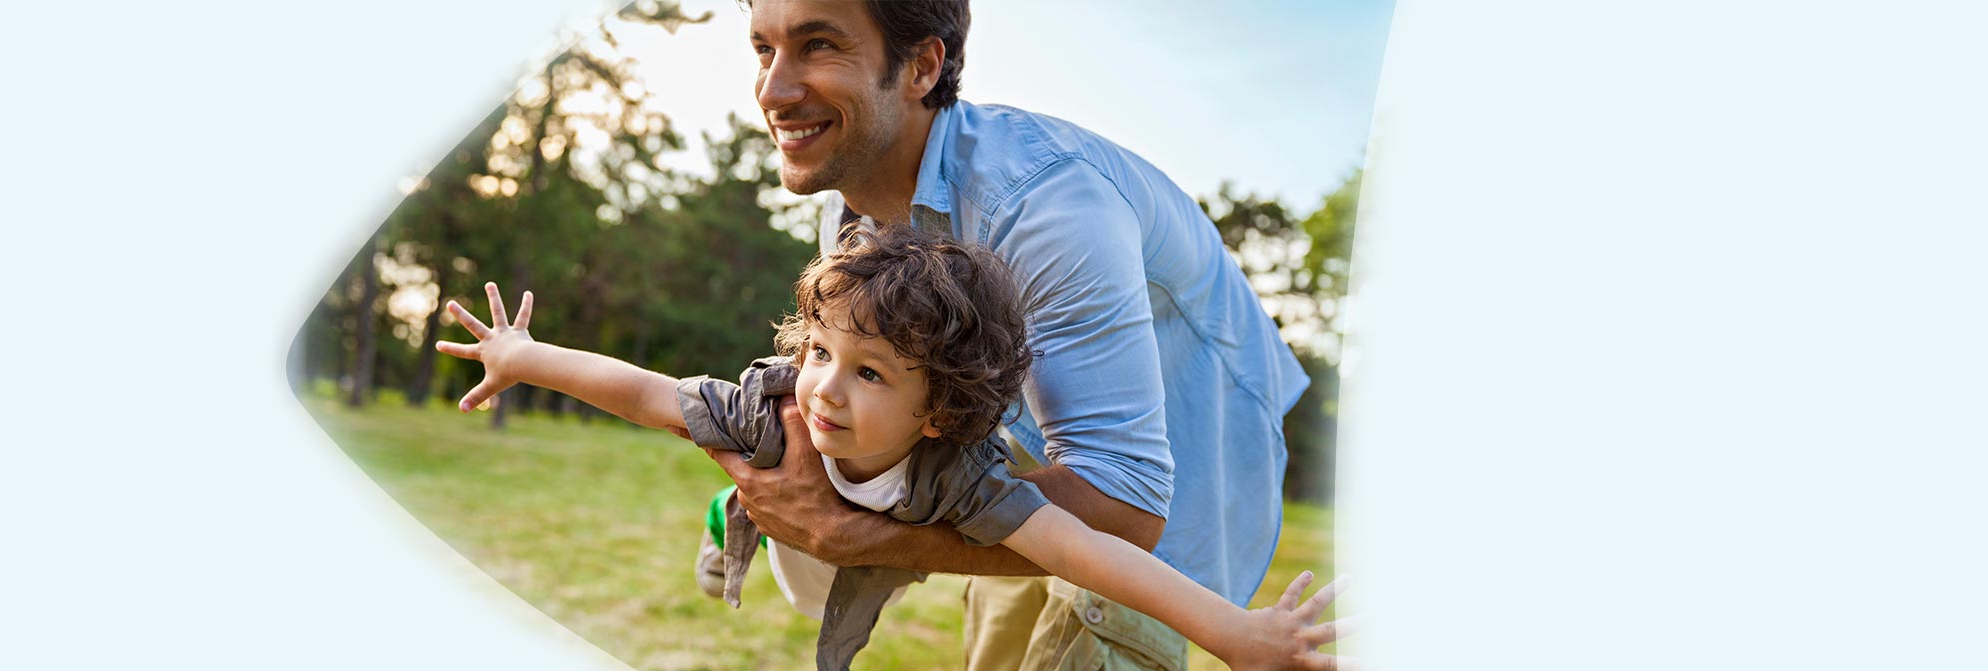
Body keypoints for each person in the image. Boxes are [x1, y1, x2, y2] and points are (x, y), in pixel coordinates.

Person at [434, 225, 1351, 670]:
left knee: (853, 584)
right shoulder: (780, 412)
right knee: (770, 532)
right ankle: (731, 513)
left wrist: (1239, 634)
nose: (830, 384)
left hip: (880, 545)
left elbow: (1096, 555)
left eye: (871, 373)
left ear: (938, 412)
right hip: (790, 518)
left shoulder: (965, 475)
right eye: (823, 350)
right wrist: (523, 356)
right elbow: (641, 389)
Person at [718, 0, 1322, 668]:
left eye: (820, 45)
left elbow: (1126, 506)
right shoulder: (850, 210)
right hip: (1018, 453)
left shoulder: (1043, 205)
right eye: (763, 49)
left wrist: (858, 534)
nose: (772, 89)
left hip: (1166, 465)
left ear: (921, 66)